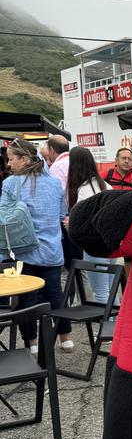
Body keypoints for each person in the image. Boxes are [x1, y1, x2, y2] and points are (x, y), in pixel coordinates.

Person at [1, 138, 73, 353]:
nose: (8, 164)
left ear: (24, 159)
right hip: (52, 250)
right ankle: (65, 338)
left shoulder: (11, 183)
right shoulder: (54, 183)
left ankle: (31, 344)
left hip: (23, 250)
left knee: (27, 299)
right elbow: (62, 215)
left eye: (11, 159)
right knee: (55, 295)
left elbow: (4, 217)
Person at [66, 146, 117, 304]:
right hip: (111, 244)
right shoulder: (105, 185)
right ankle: (115, 320)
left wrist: (71, 224)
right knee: (112, 290)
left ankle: (106, 321)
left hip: (94, 246)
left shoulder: (83, 190)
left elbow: (86, 222)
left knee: (100, 292)